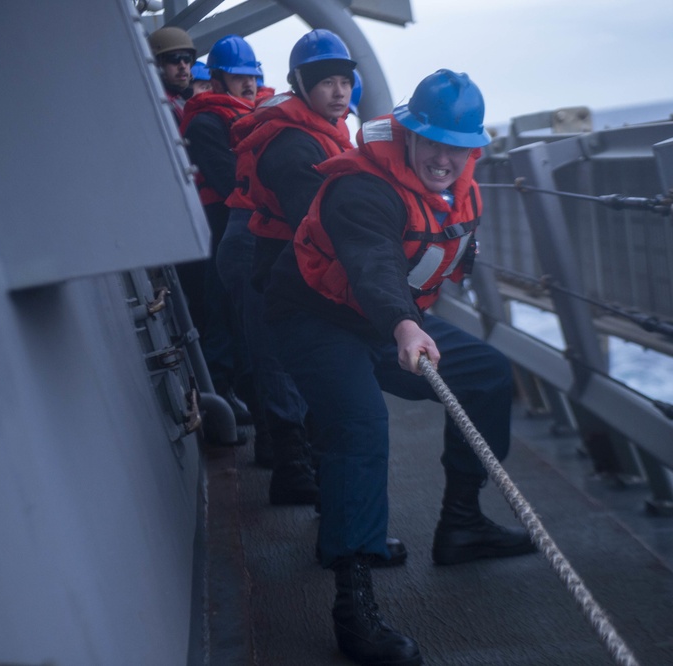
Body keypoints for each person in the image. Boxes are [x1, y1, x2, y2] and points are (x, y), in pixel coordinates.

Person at [264, 69, 538, 665]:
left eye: (458, 147)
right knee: (360, 427)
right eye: (433, 142)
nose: (444, 158)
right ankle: (354, 604)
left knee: (486, 373)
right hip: (318, 317)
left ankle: (462, 524)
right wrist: (404, 324)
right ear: (409, 134)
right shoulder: (361, 188)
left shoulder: (458, 191)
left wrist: (402, 322)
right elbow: (373, 266)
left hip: (386, 321)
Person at [217, 29, 356, 506]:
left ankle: (293, 464)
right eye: (326, 82)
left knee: (278, 355)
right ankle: (293, 469)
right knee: (276, 357)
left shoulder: (321, 131)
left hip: (270, 243)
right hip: (271, 250)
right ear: (301, 86)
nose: (339, 92)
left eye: (344, 81)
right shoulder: (297, 145)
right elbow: (314, 219)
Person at [177, 34, 263, 441]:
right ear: (217, 81)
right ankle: (220, 399)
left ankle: (235, 393)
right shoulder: (207, 121)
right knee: (219, 310)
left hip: (239, 221)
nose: (248, 83)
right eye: (238, 76)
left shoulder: (246, 114)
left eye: (253, 75)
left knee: (235, 312)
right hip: (217, 222)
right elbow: (229, 180)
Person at [147, 27, 197, 125]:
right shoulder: (157, 105)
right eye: (174, 59)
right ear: (158, 65)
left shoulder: (184, 101)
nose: (182, 66)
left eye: (186, 59)